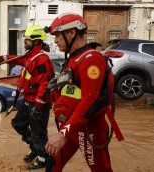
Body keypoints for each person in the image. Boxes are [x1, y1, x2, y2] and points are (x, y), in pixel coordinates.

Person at [44, 13, 121, 172]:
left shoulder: (91, 58)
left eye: (58, 35)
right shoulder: (72, 59)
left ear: (72, 33)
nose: (55, 40)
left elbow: (89, 101)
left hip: (89, 129)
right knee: (52, 165)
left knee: (101, 170)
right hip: (71, 126)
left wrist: (63, 134)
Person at [0, 25, 55, 170]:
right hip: (28, 100)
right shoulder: (31, 55)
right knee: (18, 124)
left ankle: (42, 159)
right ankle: (35, 148)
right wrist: (1, 59)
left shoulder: (41, 59)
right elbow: (18, 59)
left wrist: (39, 106)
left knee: (38, 132)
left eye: (27, 39)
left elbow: (44, 83)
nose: (24, 42)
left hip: (38, 103)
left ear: (36, 41)